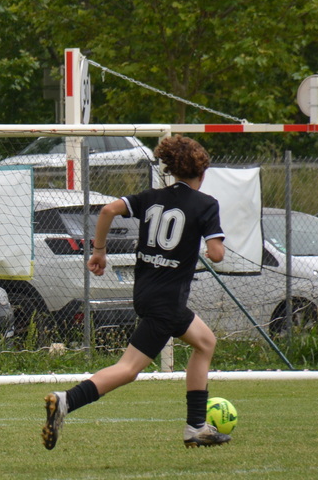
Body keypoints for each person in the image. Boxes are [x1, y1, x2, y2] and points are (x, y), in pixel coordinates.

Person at [42, 136, 233, 450]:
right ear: (202, 174)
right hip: (168, 301)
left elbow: (108, 210)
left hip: (145, 293)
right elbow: (217, 253)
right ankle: (66, 401)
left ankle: (196, 427)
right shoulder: (206, 204)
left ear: (172, 169)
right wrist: (214, 248)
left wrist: (99, 252)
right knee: (128, 369)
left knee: (205, 342)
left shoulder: (150, 197)